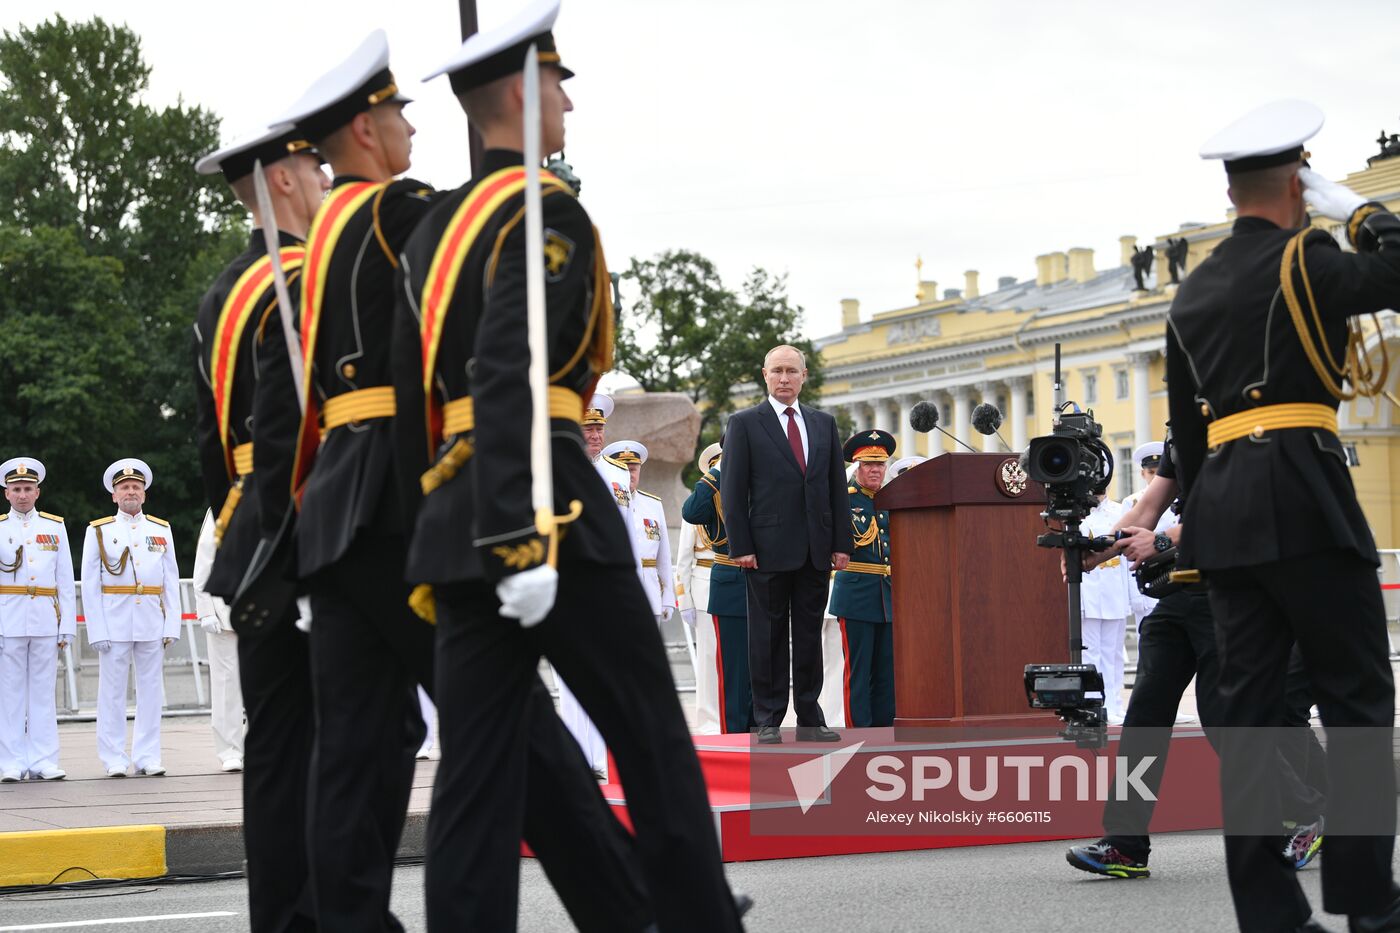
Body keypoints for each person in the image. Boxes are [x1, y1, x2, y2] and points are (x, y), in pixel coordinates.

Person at [394, 4, 745, 927]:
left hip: (455, 520)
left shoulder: (429, 232)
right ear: (517, 92)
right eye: (559, 85)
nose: (570, 107)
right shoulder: (547, 210)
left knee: (475, 779)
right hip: (546, 506)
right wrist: (521, 533)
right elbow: (512, 368)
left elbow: (412, 398)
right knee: (652, 741)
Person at [1166, 100, 1400, 932]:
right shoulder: (1311, 257)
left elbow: (1188, 432)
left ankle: (1269, 914)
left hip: (1225, 509)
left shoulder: (1190, 291)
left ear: (1231, 191)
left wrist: (1203, 524)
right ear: (1300, 178)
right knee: (1358, 698)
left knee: (1253, 716)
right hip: (1306, 491)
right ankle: (1370, 904)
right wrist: (1364, 211)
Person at [261, 31, 439, 931]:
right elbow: (469, 262)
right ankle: (638, 901)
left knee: (354, 749)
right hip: (396, 497)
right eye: (400, 112)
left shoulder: (320, 235)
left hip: (333, 501)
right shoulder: (393, 206)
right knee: (502, 717)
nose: (411, 126)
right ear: (368, 129)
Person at [191, 124, 326, 931]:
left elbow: (213, 443)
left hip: (251, 527)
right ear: (282, 179)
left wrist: (237, 528)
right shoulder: (295, 279)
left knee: (277, 742)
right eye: (312, 165)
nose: (322, 176)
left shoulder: (222, 290)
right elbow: (297, 429)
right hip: (310, 527)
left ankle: (288, 916)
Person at [720, 344, 852, 743]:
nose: (784, 378)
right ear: (764, 375)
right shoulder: (744, 423)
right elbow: (732, 489)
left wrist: (841, 542)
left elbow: (835, 488)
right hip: (765, 550)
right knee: (768, 636)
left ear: (804, 376)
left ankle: (810, 717)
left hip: (815, 549)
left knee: (810, 637)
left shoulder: (823, 423)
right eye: (777, 371)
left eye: (791, 371)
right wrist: (740, 545)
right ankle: (768, 718)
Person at [81, 459, 180, 778]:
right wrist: (96, 628)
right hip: (115, 621)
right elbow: (91, 583)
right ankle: (113, 757)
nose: (130, 492)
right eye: (124, 487)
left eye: (136, 487)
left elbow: (171, 580)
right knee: (111, 693)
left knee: (151, 691)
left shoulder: (161, 529)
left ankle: (148, 755)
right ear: (114, 495)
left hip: (151, 618)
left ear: (144, 494)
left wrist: (172, 623)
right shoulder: (99, 530)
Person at [0, 458, 76, 782]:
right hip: (9, 618)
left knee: (44, 693)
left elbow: (65, 580)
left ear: (37, 491)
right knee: (10, 694)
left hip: (46, 618)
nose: (22, 494)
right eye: (16, 489)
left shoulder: (54, 527)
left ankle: (44, 759)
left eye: (27, 489)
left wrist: (68, 626)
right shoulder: (1, 528)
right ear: (6, 493)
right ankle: (11, 762)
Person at [682, 441, 754, 735]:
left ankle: (759, 727)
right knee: (731, 669)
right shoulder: (712, 492)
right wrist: (719, 470)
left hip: (765, 583)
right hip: (726, 584)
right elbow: (691, 514)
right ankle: (731, 731)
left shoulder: (760, 481)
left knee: (761, 666)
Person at [828, 431, 896, 728]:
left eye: (880, 464)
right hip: (856, 597)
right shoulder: (842, 500)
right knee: (858, 671)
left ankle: (884, 732)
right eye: (869, 464)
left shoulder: (892, 501)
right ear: (857, 467)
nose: (875, 470)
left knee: (886, 673)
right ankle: (859, 735)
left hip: (888, 597)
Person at [190, 511, 244, 773]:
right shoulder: (226, 500)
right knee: (226, 684)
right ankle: (230, 750)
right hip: (226, 608)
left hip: (270, 605)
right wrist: (205, 609)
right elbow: (205, 558)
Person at [602, 440, 676, 625]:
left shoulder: (653, 504)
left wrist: (667, 596)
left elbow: (664, 556)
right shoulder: (603, 503)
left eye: (633, 469)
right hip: (614, 594)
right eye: (624, 469)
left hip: (650, 593)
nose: (629, 474)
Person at [677, 442, 723, 733]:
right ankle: (708, 721)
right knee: (708, 659)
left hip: (739, 583)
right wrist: (686, 601)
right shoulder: (701, 501)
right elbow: (683, 558)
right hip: (705, 587)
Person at [1079, 484, 1131, 724]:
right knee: (1090, 653)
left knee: (1113, 654)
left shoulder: (1121, 511)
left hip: (1114, 590)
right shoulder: (1078, 513)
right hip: (1088, 590)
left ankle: (1114, 703)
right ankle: (1093, 704)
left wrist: (1131, 596)